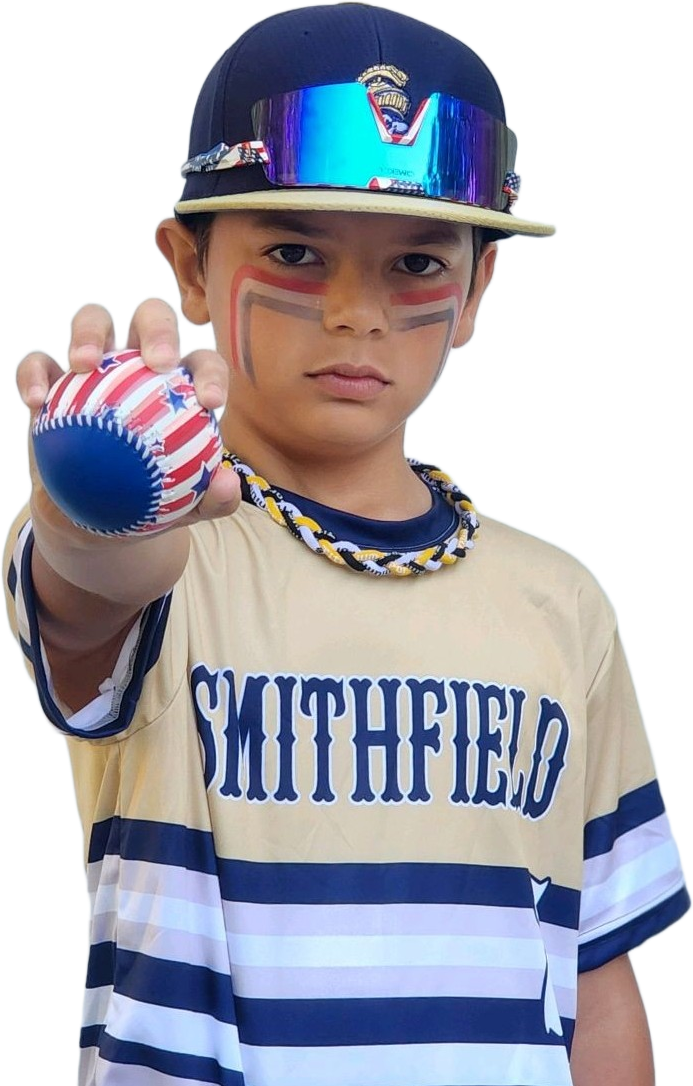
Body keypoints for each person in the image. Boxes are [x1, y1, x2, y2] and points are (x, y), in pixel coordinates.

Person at [2, 3, 689, 1084]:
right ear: (188, 266)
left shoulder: (560, 600)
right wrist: (96, 500)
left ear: (478, 290)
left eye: (415, 262)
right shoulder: (171, 551)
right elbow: (94, 584)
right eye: (294, 251)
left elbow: (595, 979)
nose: (356, 312)